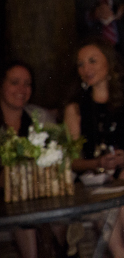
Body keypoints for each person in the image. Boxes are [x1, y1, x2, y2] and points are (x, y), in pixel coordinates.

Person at [65, 39, 124, 258]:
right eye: (80, 64)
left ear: (109, 62)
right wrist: (97, 163)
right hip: (97, 177)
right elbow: (71, 161)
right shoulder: (76, 108)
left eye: (92, 61)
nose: (86, 69)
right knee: (98, 190)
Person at [1, 61, 56, 258]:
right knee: (22, 212)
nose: (22, 89)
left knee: (57, 215)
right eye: (15, 82)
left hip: (38, 193)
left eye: (28, 84)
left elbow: (57, 158)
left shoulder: (40, 117)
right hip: (6, 198)